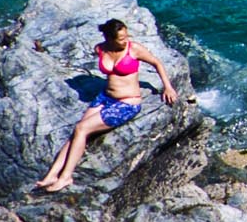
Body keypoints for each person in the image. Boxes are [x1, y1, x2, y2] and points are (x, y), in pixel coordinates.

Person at [34, 18, 179, 192]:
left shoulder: (134, 49)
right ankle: (52, 175)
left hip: (127, 102)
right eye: (121, 38)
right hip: (105, 98)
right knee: (78, 132)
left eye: (126, 36)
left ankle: (66, 177)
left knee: (81, 128)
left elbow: (157, 63)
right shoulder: (100, 49)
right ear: (109, 38)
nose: (125, 40)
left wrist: (167, 87)